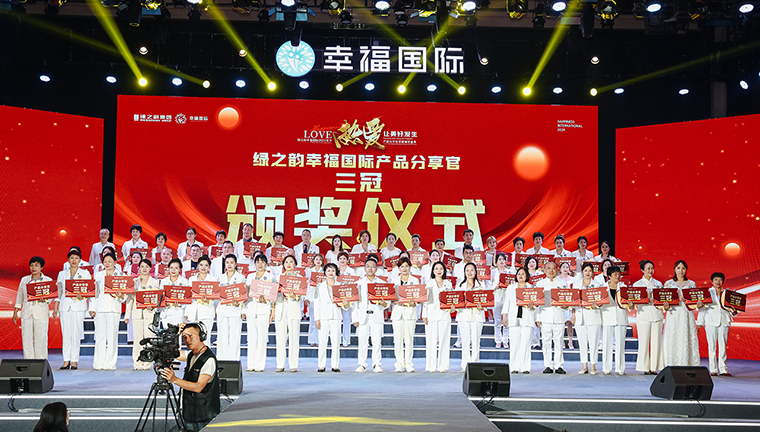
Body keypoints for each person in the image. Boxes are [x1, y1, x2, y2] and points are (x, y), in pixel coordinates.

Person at [161, 322, 221, 432]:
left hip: (200, 417)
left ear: (201, 336)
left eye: (191, 335)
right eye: (184, 337)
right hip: (186, 412)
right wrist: (176, 335)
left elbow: (198, 387)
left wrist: (174, 379)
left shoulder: (209, 360)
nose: (187, 340)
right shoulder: (191, 355)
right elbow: (169, 352)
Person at [54, 249, 92, 370]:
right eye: (72, 258)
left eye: (76, 258)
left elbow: (89, 290)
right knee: (66, 334)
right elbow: (59, 292)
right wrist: (55, 307)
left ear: (80, 260)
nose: (74, 260)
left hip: (79, 306)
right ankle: (66, 360)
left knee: (76, 333)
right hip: (65, 306)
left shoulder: (85, 273)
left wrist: (83, 296)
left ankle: (74, 361)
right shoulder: (62, 274)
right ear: (68, 260)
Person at [91, 252, 128, 370]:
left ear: (115, 262)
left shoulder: (121, 275)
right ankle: (98, 362)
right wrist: (91, 308)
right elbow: (94, 293)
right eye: (105, 261)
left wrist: (121, 296)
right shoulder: (98, 275)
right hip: (99, 308)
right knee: (100, 336)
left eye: (110, 261)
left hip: (113, 308)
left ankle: (110, 363)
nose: (107, 263)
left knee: (112, 336)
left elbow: (125, 295)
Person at [13, 256, 54, 359]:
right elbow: (20, 295)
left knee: (41, 337)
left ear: (41, 267)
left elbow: (51, 296)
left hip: (40, 312)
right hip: (27, 312)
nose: (33, 268)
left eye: (36, 265)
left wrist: (45, 300)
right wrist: (16, 310)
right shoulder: (24, 280)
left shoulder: (47, 280)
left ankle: (41, 361)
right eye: (31, 265)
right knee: (27, 338)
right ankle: (29, 361)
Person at [697, 272, 737, 376]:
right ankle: (713, 369)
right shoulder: (707, 292)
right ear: (712, 281)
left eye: (720, 280)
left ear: (723, 281)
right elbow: (702, 309)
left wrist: (734, 311)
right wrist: (700, 323)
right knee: (712, 346)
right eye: (715, 280)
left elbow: (732, 309)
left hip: (724, 321)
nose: (718, 282)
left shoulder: (727, 293)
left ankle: (723, 369)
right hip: (710, 321)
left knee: (723, 346)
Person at [354, 257, 389, 372]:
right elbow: (355, 303)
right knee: (362, 342)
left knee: (377, 341)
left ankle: (377, 364)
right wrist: (355, 318)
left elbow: (387, 301)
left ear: (376, 268)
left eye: (372, 266)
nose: (370, 268)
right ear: (364, 268)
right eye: (368, 266)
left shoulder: (382, 283)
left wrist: (384, 304)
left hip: (376, 315)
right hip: (362, 316)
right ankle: (362, 364)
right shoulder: (358, 283)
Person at [662, 260, 700, 367]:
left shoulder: (691, 284)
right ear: (674, 269)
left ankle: (687, 362)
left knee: (686, 336)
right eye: (678, 268)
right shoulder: (668, 283)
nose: (681, 271)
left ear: (686, 270)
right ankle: (671, 363)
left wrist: (698, 303)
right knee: (673, 336)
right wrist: (666, 306)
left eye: (683, 268)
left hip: (686, 313)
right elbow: (664, 300)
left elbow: (695, 301)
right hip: (673, 313)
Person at [314, 263, 349, 372]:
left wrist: (346, 304)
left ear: (336, 272)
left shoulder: (340, 286)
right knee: (322, 342)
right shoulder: (319, 286)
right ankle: (321, 365)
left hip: (336, 316)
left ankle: (335, 365)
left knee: (336, 341)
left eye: (333, 270)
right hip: (323, 317)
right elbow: (316, 302)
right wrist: (316, 319)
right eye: (328, 270)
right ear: (324, 272)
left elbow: (345, 303)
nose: (330, 273)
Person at [632, 259, 665, 375]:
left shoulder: (658, 284)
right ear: (643, 270)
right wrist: (647, 299)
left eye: (652, 268)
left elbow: (662, 298)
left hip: (657, 315)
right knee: (644, 342)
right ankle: (644, 367)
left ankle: (654, 367)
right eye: (648, 269)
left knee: (656, 342)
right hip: (643, 315)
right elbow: (635, 300)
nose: (650, 271)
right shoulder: (637, 285)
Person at [126, 258, 160, 370]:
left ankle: (147, 363)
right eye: (142, 266)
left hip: (149, 313)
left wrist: (153, 306)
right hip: (136, 314)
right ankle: (137, 362)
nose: (144, 269)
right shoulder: (134, 282)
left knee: (149, 339)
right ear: (138, 268)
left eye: (147, 267)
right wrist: (127, 315)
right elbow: (130, 299)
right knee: (137, 339)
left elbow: (158, 298)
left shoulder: (155, 282)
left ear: (150, 268)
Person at [243, 254, 274, 372]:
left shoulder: (270, 277)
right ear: (254, 264)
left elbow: (273, 296)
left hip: (263, 310)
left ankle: (259, 365)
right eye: (258, 262)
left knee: (262, 338)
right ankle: (250, 364)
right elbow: (246, 295)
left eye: (262, 262)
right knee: (251, 338)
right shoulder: (250, 277)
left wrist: (270, 307)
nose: (260, 264)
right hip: (251, 309)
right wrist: (244, 310)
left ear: (266, 263)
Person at [535, 261, 568, 374]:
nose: (551, 270)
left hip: (559, 316)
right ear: (544, 269)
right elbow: (537, 303)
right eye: (548, 268)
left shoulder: (563, 283)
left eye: (553, 268)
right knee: (546, 342)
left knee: (559, 342)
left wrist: (565, 307)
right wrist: (537, 318)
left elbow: (567, 301)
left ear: (557, 270)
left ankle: (559, 365)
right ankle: (548, 365)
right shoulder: (539, 284)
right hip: (545, 315)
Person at [503, 267, 537, 374]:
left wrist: (532, 307)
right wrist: (504, 316)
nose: (520, 276)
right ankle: (514, 366)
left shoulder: (531, 288)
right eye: (519, 274)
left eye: (523, 274)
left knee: (526, 343)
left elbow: (537, 305)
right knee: (514, 343)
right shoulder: (511, 288)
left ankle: (525, 367)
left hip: (527, 317)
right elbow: (507, 302)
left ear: (527, 276)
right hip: (514, 318)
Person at [274, 255, 303, 372]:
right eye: (286, 262)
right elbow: (274, 295)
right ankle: (280, 364)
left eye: (291, 261)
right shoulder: (278, 278)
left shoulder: (299, 278)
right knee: (280, 338)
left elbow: (302, 296)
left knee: (294, 337)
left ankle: (293, 364)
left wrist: (294, 296)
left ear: (295, 264)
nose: (289, 264)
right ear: (283, 265)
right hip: (281, 308)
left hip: (293, 307)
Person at [390, 257, 420, 372]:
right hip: (397, 312)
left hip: (409, 312)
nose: (404, 268)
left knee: (409, 338)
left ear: (410, 267)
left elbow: (418, 297)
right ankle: (399, 363)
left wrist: (413, 303)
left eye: (406, 266)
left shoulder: (415, 281)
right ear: (398, 268)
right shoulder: (394, 281)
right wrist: (394, 301)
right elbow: (390, 297)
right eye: (402, 266)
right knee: (397, 339)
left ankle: (408, 363)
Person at [422, 261, 453, 372]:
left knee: (444, 340)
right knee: (431, 340)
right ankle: (431, 366)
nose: (439, 271)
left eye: (441, 268)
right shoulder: (429, 284)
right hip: (431, 314)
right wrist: (424, 314)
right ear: (433, 271)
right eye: (436, 269)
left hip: (445, 314)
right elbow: (426, 301)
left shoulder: (448, 284)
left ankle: (443, 366)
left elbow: (451, 299)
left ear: (444, 271)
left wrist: (452, 307)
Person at [573, 263, 603, 375]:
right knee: (582, 342)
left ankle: (593, 365)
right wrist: (573, 314)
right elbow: (573, 301)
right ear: (582, 272)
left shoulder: (597, 285)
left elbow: (601, 301)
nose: (588, 273)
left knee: (594, 342)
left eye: (590, 270)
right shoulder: (576, 285)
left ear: (593, 272)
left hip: (593, 315)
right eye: (585, 270)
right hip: (580, 316)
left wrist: (597, 304)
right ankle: (584, 365)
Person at [457, 262, 487, 373]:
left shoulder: (481, 284)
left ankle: (475, 363)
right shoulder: (460, 285)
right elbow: (457, 300)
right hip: (463, 315)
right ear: (464, 272)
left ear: (475, 272)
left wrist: (482, 306)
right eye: (467, 270)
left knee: (476, 340)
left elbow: (486, 299)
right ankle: (465, 364)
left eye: (472, 270)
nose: (469, 273)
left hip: (477, 315)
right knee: (465, 341)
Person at [217, 254, 245, 361]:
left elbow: (243, 296)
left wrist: (240, 306)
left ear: (236, 264)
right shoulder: (220, 278)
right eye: (227, 262)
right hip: (223, 309)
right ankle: (221, 360)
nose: (229, 265)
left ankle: (234, 360)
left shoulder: (241, 277)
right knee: (222, 336)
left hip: (235, 309)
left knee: (235, 336)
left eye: (232, 262)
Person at [601, 266, 629, 375]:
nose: (617, 276)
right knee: (607, 343)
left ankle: (620, 368)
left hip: (621, 316)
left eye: (618, 274)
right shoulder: (602, 287)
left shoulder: (624, 287)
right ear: (609, 276)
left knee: (620, 344)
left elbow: (628, 303)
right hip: (607, 316)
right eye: (615, 274)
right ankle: (606, 367)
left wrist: (630, 304)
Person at [186, 255, 218, 347]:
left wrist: (207, 301)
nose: (203, 267)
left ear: (209, 267)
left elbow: (215, 297)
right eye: (201, 265)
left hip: (207, 311)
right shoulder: (191, 279)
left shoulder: (213, 279)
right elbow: (188, 296)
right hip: (193, 312)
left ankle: (206, 355)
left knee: (205, 337)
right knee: (193, 337)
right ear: (198, 265)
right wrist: (186, 312)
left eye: (206, 265)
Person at [489, 253, 511, 349]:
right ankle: (498, 340)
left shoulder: (509, 272)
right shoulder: (493, 272)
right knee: (497, 320)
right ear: (496, 262)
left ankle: (505, 340)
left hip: (506, 298)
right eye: (500, 259)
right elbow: (489, 285)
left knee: (506, 320)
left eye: (503, 259)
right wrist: (496, 286)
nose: (502, 261)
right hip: (497, 297)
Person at [159, 258, 188, 327]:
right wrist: (164, 303)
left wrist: (180, 304)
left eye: (176, 268)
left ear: (180, 269)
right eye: (171, 268)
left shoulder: (185, 282)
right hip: (166, 313)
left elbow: (188, 299)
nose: (173, 270)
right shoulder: (163, 281)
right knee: (166, 333)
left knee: (178, 333)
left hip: (179, 313)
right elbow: (160, 297)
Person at [305, 254, 326, 347]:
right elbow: (306, 285)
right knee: (313, 319)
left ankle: (319, 340)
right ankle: (312, 340)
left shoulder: (325, 272)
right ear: (313, 261)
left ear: (322, 262)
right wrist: (306, 297)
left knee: (321, 319)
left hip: (322, 298)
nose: (318, 261)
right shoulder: (309, 271)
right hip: (312, 297)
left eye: (320, 259)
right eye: (316, 259)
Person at [336, 251, 356, 347]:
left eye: (344, 258)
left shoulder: (351, 271)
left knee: (347, 320)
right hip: (337, 297)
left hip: (348, 297)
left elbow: (354, 284)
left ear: (347, 260)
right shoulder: (335, 270)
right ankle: (336, 340)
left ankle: (346, 341)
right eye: (340, 258)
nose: (342, 260)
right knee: (336, 320)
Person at [558, 261, 576, 349]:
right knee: (560, 323)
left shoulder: (573, 279)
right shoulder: (557, 279)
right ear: (560, 269)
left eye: (567, 267)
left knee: (569, 323)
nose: (565, 269)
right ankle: (562, 342)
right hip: (560, 303)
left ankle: (570, 342)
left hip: (570, 303)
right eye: (563, 267)